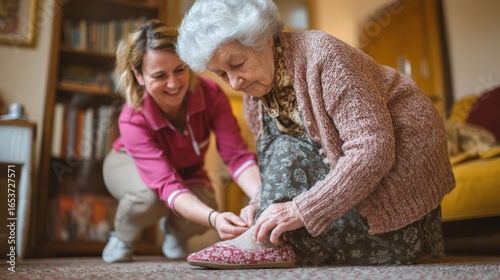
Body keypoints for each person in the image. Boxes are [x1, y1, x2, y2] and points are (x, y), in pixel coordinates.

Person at [177, 0, 456, 268]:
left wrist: (300, 210)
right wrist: (258, 204)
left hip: (392, 194)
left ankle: (264, 243)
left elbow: (373, 149)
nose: (235, 83)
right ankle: (264, 239)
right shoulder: (254, 91)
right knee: (279, 159)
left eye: (237, 64)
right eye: (221, 74)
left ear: (265, 38)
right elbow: (272, 164)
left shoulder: (325, 57)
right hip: (352, 189)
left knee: (287, 147)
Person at [101, 19, 261, 263]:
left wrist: (262, 198)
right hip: (128, 162)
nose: (174, 84)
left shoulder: (212, 94)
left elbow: (236, 155)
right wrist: (214, 219)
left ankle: (174, 232)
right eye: (159, 75)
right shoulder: (132, 117)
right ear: (139, 76)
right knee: (149, 197)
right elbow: (166, 184)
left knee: (208, 201)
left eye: (179, 70)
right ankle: (122, 236)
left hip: (185, 170)